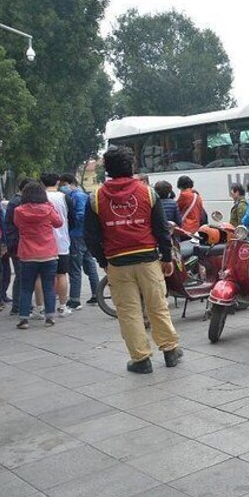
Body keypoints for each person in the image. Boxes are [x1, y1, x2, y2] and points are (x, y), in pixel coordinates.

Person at [85, 145, 181, 373]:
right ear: (131, 167)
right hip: (148, 260)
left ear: (107, 169)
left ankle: (141, 360)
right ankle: (170, 351)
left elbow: (90, 237)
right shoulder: (148, 193)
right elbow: (161, 229)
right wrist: (167, 257)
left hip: (117, 263)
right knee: (158, 306)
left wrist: (103, 261)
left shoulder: (95, 198)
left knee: (128, 311)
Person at [13, 182, 63, 329]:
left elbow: (17, 225)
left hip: (27, 254)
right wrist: (49, 206)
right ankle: (49, 317)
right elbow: (58, 223)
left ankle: (23, 319)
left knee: (26, 287)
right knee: (49, 286)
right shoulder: (48, 209)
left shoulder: (18, 211)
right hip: (48, 253)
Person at [58, 174, 100, 308]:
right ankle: (96, 295)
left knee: (75, 267)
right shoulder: (81, 195)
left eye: (63, 184)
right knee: (89, 265)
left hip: (77, 235)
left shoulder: (77, 196)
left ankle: (75, 299)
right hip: (85, 235)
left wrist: (71, 224)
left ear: (69, 183)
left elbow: (80, 215)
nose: (62, 188)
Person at [41, 173, 75, 317]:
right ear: (58, 182)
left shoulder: (39, 198)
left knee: (42, 277)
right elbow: (72, 219)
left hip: (43, 242)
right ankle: (62, 306)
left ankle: (41, 307)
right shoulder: (64, 197)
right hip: (62, 242)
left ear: (42, 183)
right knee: (62, 275)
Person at [2, 178, 30, 315]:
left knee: (21, 275)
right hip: (17, 244)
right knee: (21, 275)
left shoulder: (15, 201)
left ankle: (19, 305)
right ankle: (18, 306)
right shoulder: (17, 203)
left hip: (15, 243)